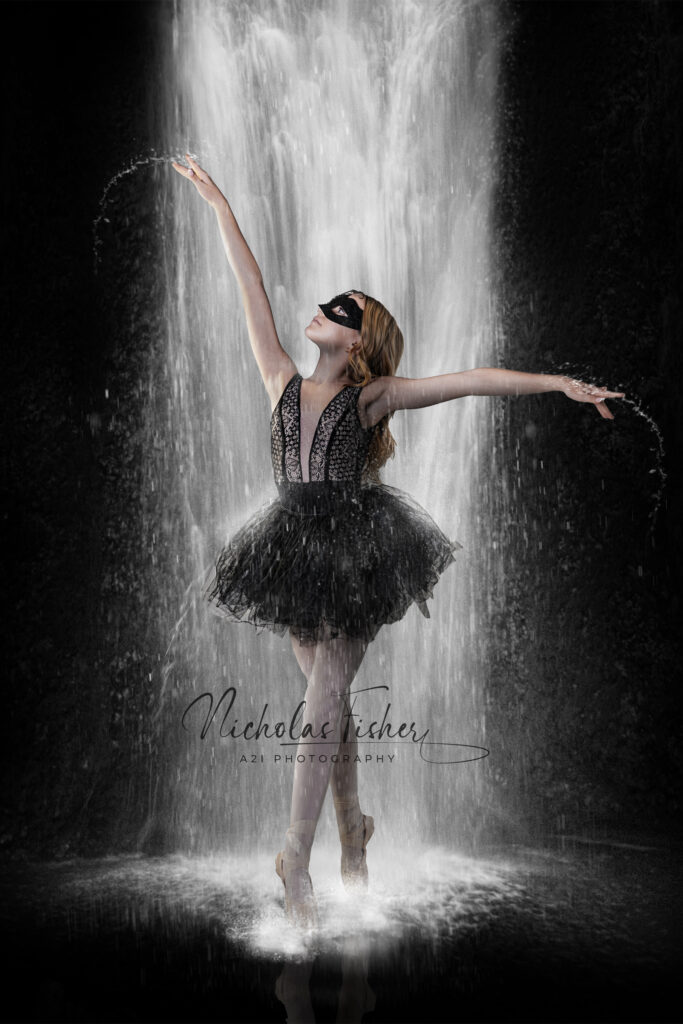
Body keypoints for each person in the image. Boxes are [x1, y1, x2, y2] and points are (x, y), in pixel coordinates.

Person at [171, 154, 625, 929]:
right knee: (330, 696)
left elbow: (468, 379)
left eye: (339, 312)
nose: (320, 310)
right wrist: (217, 203)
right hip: (288, 548)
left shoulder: (373, 397)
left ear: (358, 343)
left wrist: (556, 384)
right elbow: (248, 286)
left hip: (357, 547)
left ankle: (294, 858)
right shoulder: (279, 378)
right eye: (326, 305)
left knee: (324, 690)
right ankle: (354, 831)